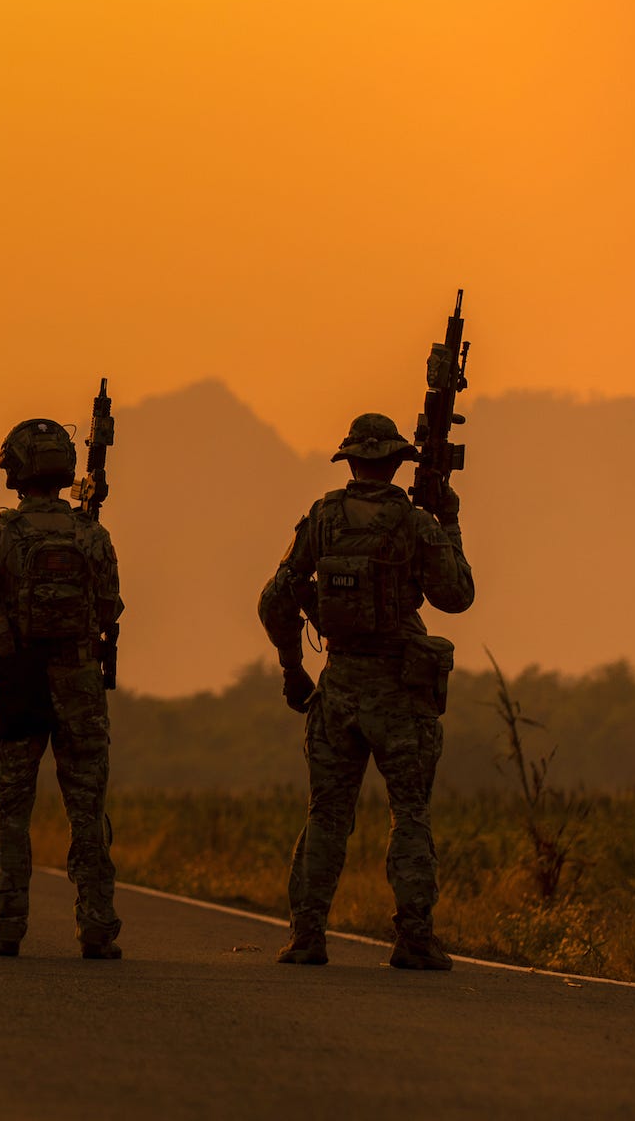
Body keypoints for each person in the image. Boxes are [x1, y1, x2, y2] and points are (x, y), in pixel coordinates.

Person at [258, 413, 474, 970]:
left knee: (326, 813)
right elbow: (456, 596)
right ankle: (415, 938)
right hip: (401, 691)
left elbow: (273, 600)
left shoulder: (324, 518)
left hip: (339, 688)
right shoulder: (417, 524)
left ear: (351, 460)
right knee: (410, 812)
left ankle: (307, 937)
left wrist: (292, 668)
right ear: (397, 462)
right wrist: (449, 523)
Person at [0, 419, 123, 959]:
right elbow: (110, 609)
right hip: (79, 682)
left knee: (11, 811)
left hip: (20, 683)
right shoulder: (92, 535)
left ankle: (5, 925)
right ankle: (97, 926)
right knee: (87, 809)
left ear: (17, 469)